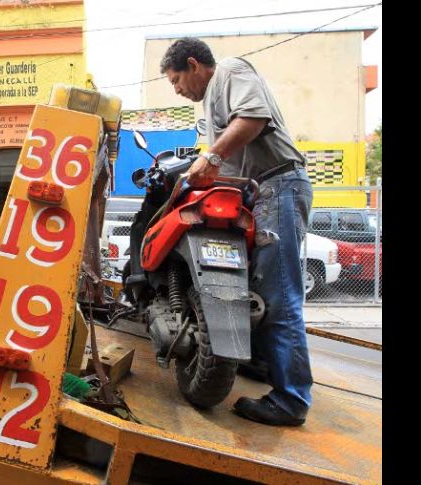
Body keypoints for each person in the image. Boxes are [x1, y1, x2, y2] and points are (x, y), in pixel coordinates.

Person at [160, 37, 314, 426]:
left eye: (177, 80)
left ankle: (291, 400)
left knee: (279, 295)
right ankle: (264, 365)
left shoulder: (229, 70)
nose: (177, 90)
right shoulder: (213, 100)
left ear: (195, 65)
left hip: (277, 185)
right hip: (262, 190)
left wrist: (212, 156)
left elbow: (253, 119)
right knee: (260, 289)